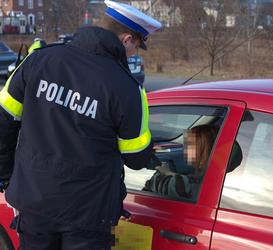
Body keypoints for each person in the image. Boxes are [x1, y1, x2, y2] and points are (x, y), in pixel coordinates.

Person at [0, 0, 161, 249]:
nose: (134, 54)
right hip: (88, 214)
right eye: (137, 47)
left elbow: (3, 124)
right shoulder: (127, 89)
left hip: (34, 203)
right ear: (127, 39)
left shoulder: (38, 61)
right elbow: (136, 157)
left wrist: (8, 180)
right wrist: (151, 148)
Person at [144, 125, 242, 200]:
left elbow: (173, 187)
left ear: (206, 152)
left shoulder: (200, 187)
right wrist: (169, 173)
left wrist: (161, 174)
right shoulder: (210, 180)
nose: (185, 149)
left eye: (191, 145)